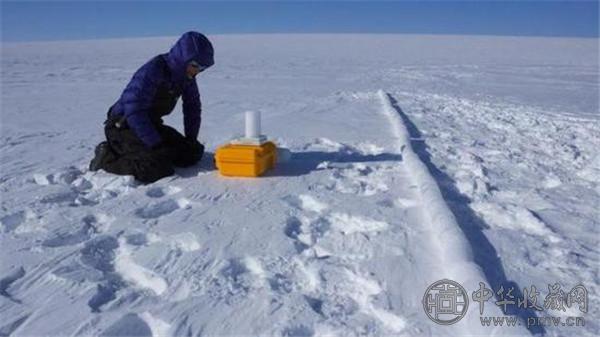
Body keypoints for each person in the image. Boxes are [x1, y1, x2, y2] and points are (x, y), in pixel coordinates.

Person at [89, 31, 214, 183]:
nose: (197, 71)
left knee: (192, 153)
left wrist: (191, 138)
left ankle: (147, 150)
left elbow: (192, 108)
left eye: (202, 68)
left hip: (150, 124)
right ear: (182, 59)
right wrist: (156, 144)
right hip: (124, 126)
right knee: (157, 166)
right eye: (195, 65)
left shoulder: (186, 77)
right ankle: (106, 156)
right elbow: (134, 110)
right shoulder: (154, 70)